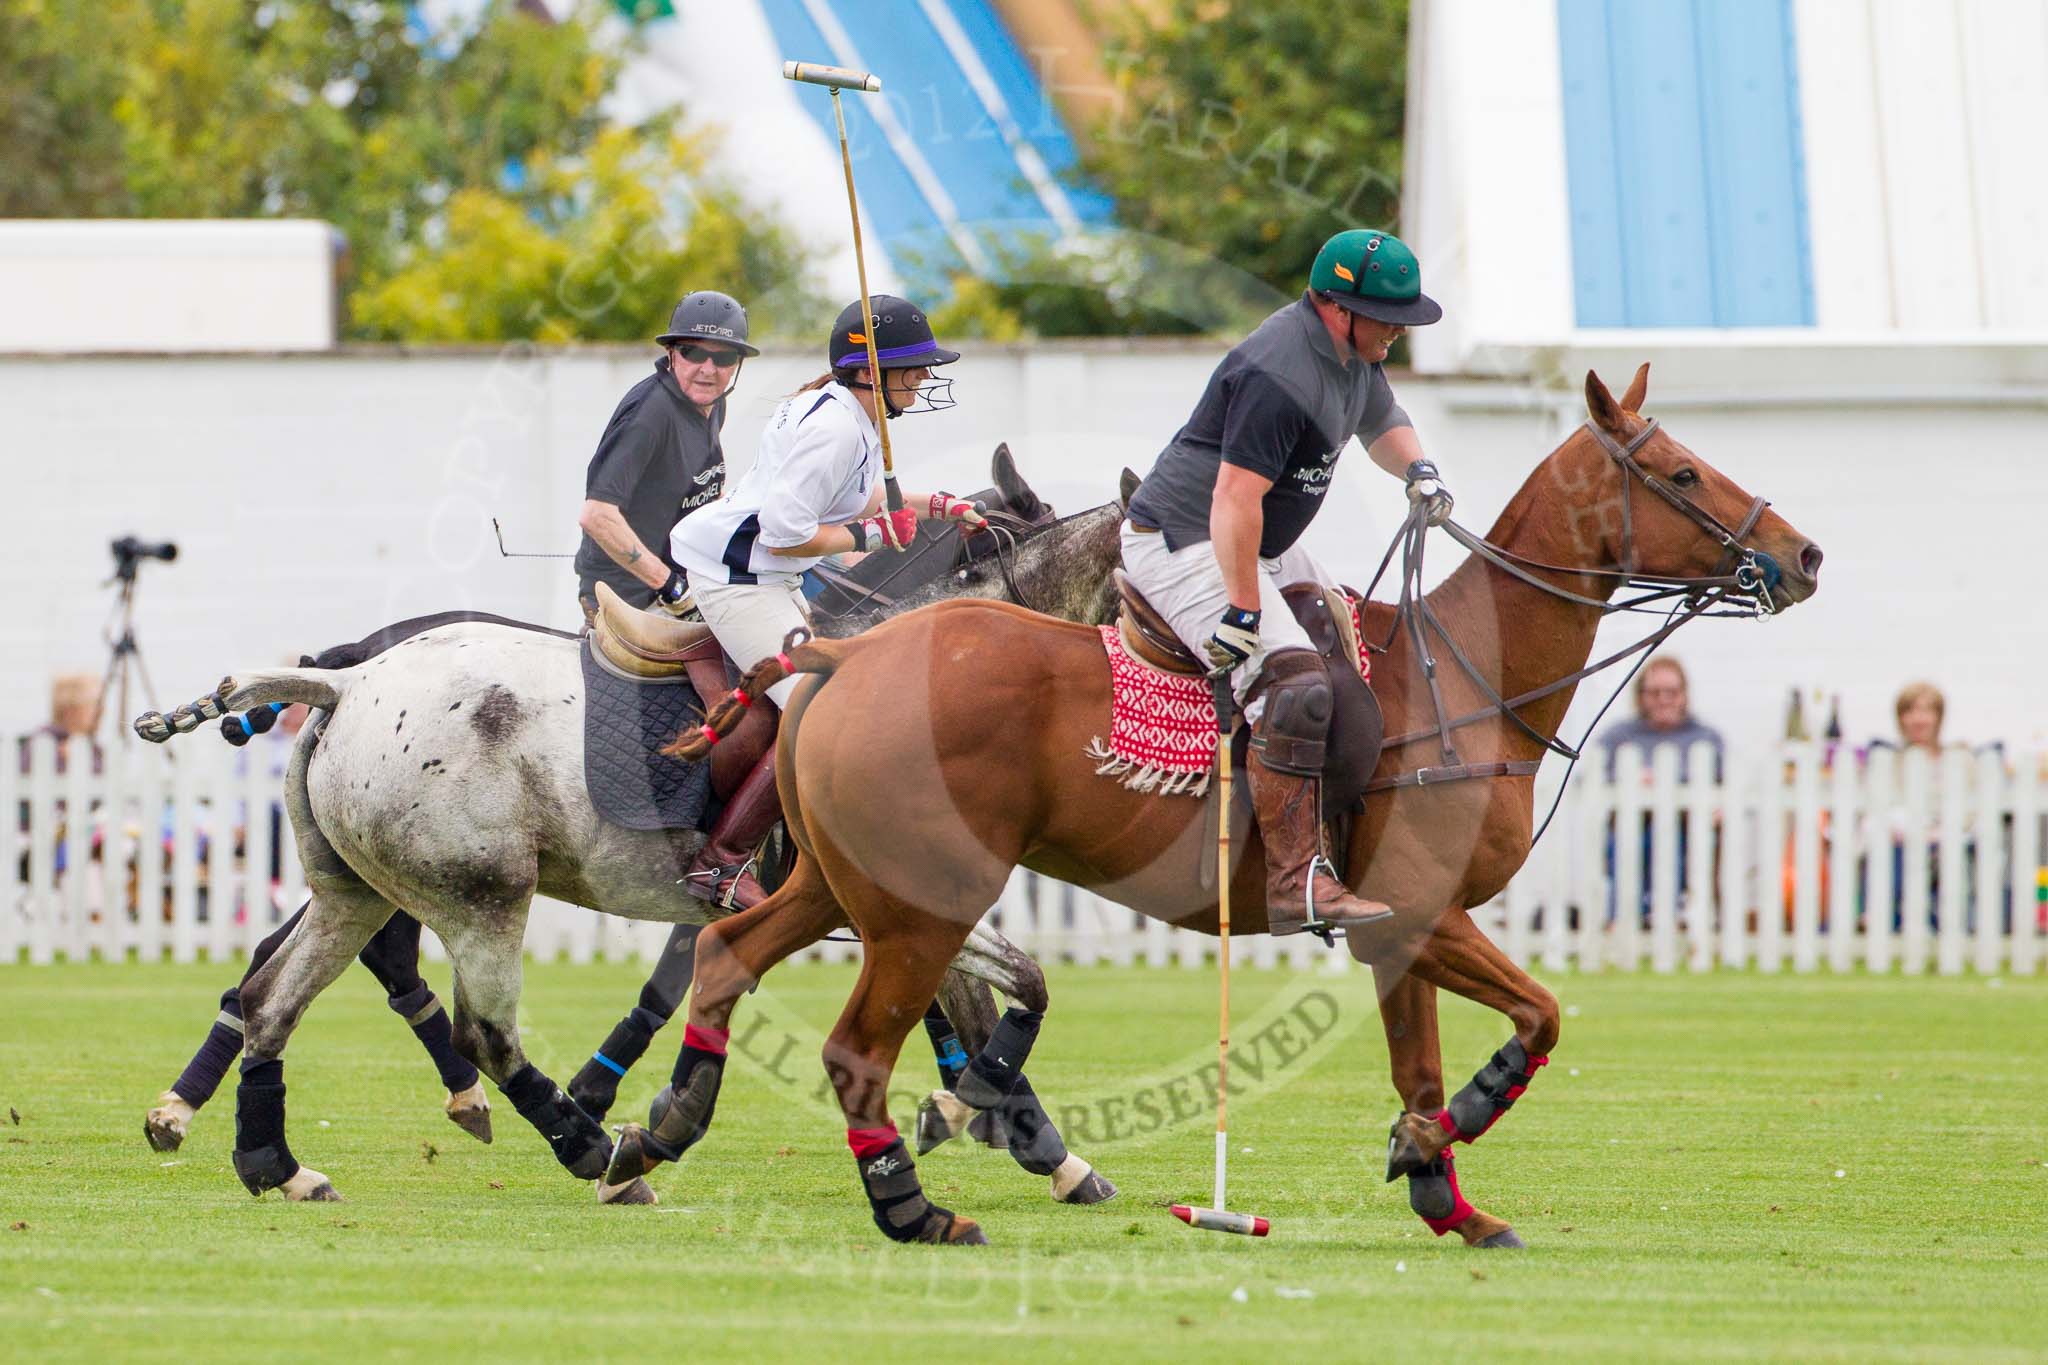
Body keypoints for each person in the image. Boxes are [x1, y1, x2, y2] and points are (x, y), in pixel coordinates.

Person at [1121, 228, 1450, 936]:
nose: (1397, 332)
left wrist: (1420, 470)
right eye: (1387, 319)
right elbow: (1233, 500)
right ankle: (1294, 880)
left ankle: (1338, 847)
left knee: (1349, 635)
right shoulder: (1282, 371)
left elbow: (1382, 419)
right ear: (1338, 308)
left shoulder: (1354, 355)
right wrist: (1242, 608)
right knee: (1292, 678)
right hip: (1186, 537)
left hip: (1257, 540)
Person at [667, 295, 987, 908]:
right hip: (739, 578)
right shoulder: (837, 426)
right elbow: (787, 532)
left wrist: (940, 505)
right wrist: (871, 537)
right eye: (913, 366)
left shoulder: (850, 415)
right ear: (870, 370)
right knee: (822, 708)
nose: (924, 378)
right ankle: (721, 862)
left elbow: (852, 498)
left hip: (762, 576)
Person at [572, 291, 758, 624]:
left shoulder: (712, 403)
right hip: (629, 597)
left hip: (685, 582)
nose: (708, 369)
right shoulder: (649, 415)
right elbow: (597, 514)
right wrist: (671, 588)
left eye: (724, 357)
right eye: (693, 352)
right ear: (671, 354)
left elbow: (700, 491)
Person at [1598, 656, 1724, 782]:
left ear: (1684, 695)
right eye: (1654, 693)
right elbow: (1587, 781)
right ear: (1640, 696)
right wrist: (1630, 777)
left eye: (1672, 692)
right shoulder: (1617, 737)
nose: (1663, 700)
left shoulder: (1707, 738)